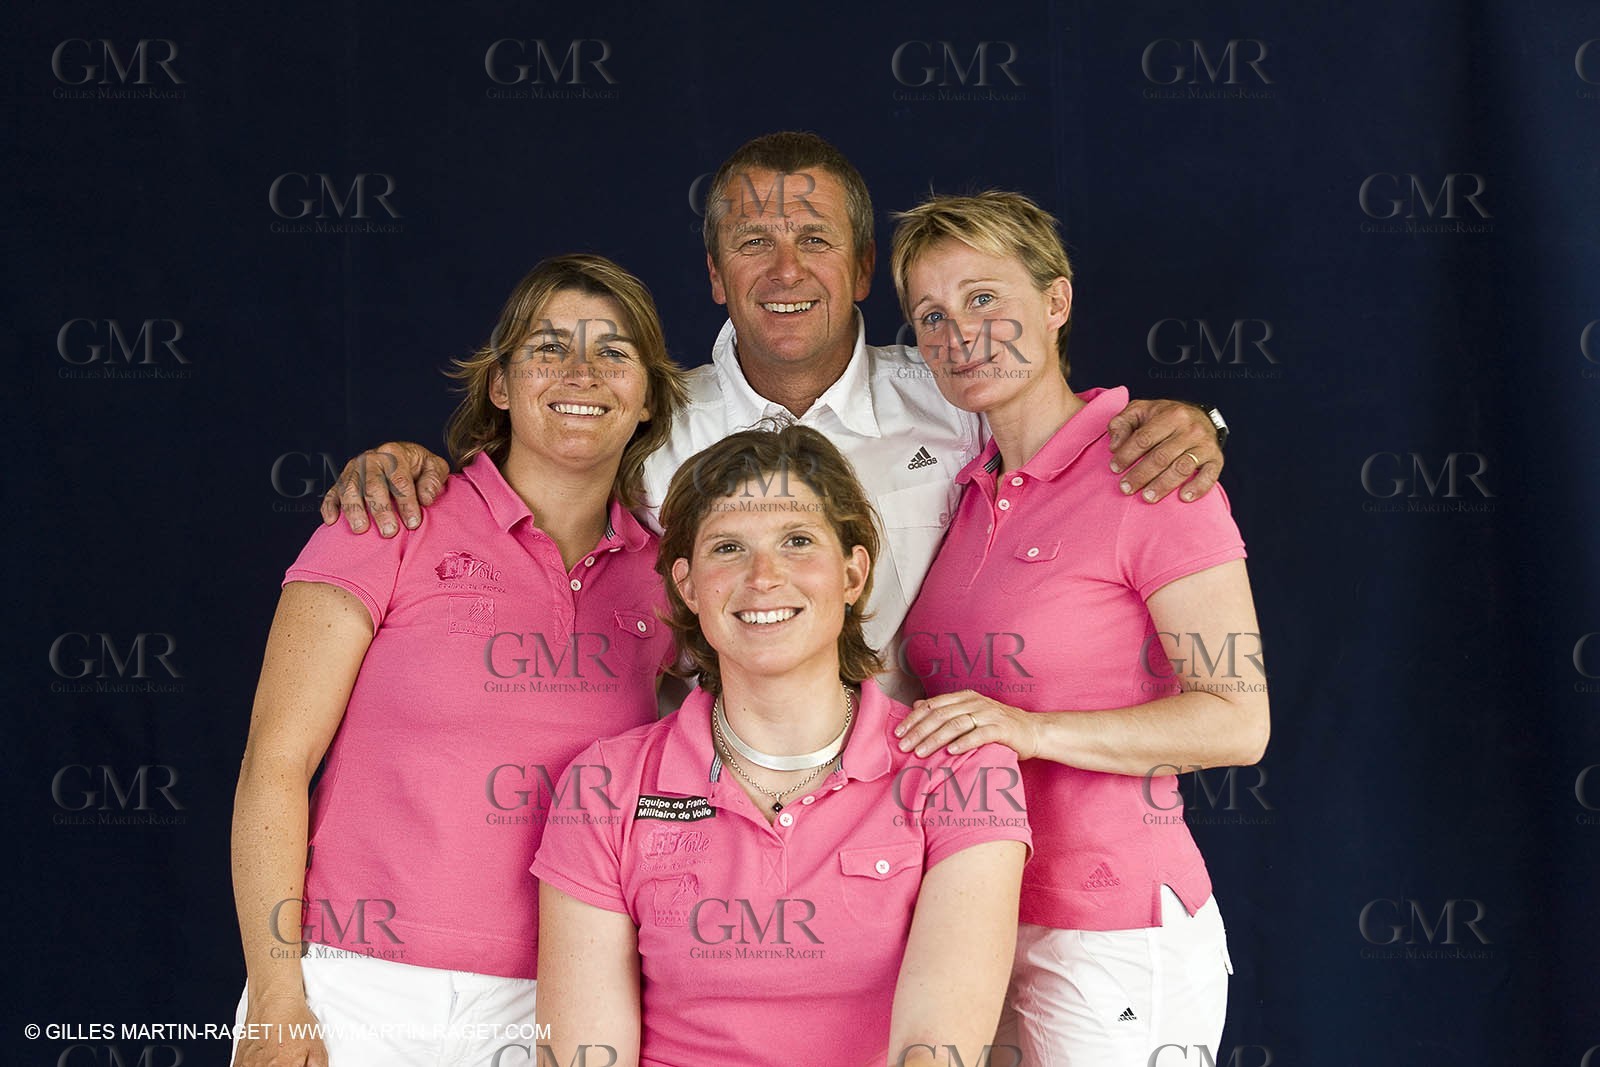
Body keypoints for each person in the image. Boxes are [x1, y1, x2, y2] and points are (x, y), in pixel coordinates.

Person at [316, 132, 1228, 703]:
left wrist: (1197, 423)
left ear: (864, 269)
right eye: (754, 243)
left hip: (918, 806)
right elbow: (525, 484)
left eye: (815, 241)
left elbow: (1064, 435)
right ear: (717, 276)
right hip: (708, 815)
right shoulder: (644, 417)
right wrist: (408, 463)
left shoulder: (955, 399)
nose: (785, 271)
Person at [229, 254, 688, 1067]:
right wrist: (276, 995)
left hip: (557, 1003)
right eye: (549, 347)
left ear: (647, 397)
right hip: (353, 987)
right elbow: (274, 762)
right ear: (501, 384)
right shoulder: (389, 516)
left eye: (614, 352)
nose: (582, 371)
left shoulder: (670, 579)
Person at [889, 191, 1270, 1065]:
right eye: (931, 316)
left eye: (985, 298)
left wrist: (1029, 729)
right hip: (975, 918)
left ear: (1056, 302)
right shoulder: (963, 490)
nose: (959, 334)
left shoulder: (1155, 474)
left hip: (1111, 928)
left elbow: (1238, 722)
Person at [530, 424, 1031, 1067]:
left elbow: (936, 1052)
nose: (762, 577)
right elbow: (581, 1056)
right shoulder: (604, 783)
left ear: (853, 574)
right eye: (728, 548)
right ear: (687, 586)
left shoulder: (962, 769)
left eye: (797, 542)